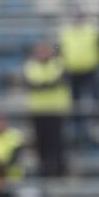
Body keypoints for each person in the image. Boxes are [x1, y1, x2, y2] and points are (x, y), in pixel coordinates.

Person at [23, 41, 71, 177]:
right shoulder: (31, 66)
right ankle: (44, 170)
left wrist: (43, 85)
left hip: (56, 110)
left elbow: (53, 82)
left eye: (45, 50)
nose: (43, 53)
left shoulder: (58, 65)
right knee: (41, 143)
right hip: (38, 111)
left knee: (57, 142)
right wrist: (47, 85)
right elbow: (33, 84)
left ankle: (59, 170)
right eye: (40, 50)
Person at [58, 9, 99, 145]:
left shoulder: (93, 30)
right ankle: (77, 124)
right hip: (72, 70)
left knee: (96, 96)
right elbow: (61, 50)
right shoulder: (66, 32)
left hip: (91, 69)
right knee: (74, 98)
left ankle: (98, 120)